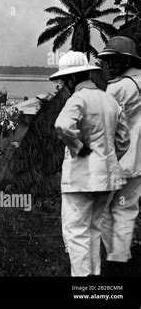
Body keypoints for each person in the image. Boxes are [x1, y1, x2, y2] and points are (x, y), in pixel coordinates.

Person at [50, 51, 130, 277]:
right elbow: (123, 139)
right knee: (94, 232)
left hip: (80, 179)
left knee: (76, 234)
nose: (64, 85)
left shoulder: (77, 99)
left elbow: (63, 125)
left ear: (72, 78)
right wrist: (109, 158)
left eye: (64, 81)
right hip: (106, 179)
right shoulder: (109, 99)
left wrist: (77, 147)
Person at [98, 36, 141, 275]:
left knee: (103, 211)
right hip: (138, 163)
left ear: (126, 61)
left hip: (116, 162)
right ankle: (122, 258)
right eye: (107, 61)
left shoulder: (116, 88)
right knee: (126, 210)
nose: (109, 66)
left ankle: (114, 262)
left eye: (113, 61)